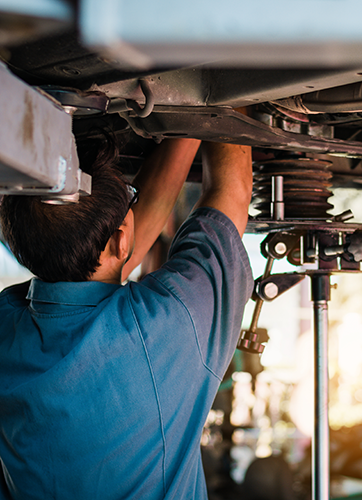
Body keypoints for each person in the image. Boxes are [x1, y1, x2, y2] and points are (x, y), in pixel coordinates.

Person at [0, 137, 254, 499]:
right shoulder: (163, 323)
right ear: (121, 241)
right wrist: (211, 95)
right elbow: (231, 190)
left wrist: (194, 126)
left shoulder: (166, 324)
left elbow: (231, 194)